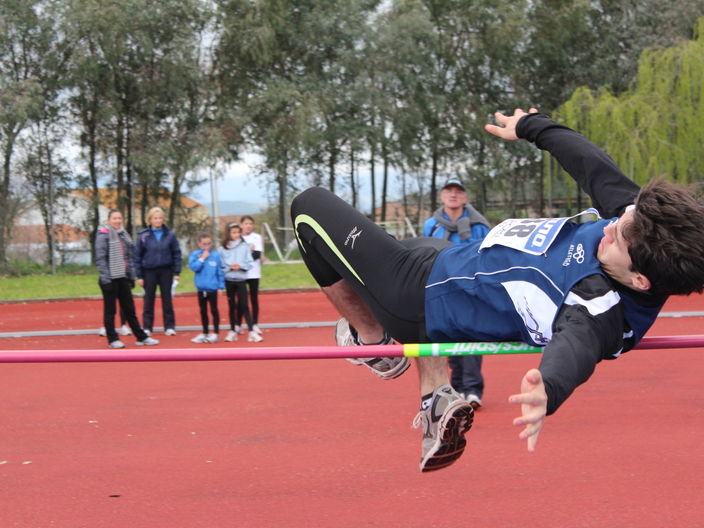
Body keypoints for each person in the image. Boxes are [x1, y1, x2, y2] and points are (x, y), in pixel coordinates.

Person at [290, 108, 704, 473]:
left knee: (308, 208)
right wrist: (532, 126)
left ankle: (373, 341)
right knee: (425, 246)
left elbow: (577, 348)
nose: (611, 226)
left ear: (639, 280)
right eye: (621, 219)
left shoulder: (598, 304)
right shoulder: (641, 225)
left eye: (616, 241)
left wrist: (548, 388)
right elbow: (590, 163)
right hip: (452, 268)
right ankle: (435, 398)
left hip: (416, 295)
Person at [423, 179, 492, 409]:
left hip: (471, 288)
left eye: (458, 192)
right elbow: (426, 253)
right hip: (443, 288)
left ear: (465, 198)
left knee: (472, 336)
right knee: (448, 338)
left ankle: (472, 390)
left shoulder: (479, 224)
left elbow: (487, 253)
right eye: (449, 191)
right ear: (442, 196)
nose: (453, 195)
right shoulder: (431, 224)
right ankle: (456, 386)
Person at [95, 209, 160, 349]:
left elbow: (128, 257)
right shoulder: (103, 236)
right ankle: (112, 339)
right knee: (110, 310)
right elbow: (100, 259)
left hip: (122, 277)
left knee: (129, 309)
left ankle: (141, 337)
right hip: (110, 279)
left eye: (120, 218)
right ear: (108, 220)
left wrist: (131, 276)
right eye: (114, 218)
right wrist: (106, 279)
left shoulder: (124, 235)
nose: (118, 221)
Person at [133, 207, 182, 337]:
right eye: (155, 218)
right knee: (148, 300)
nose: (158, 220)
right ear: (150, 220)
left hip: (166, 271)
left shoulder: (170, 235)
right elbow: (137, 255)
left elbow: (176, 253)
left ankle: (169, 326)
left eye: (160, 218)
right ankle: (147, 327)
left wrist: (177, 272)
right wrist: (139, 275)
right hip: (149, 271)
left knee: (167, 300)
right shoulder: (143, 236)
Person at [218, 222, 263, 343]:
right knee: (232, 306)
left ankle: (252, 331)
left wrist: (240, 266)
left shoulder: (244, 246)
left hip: (241, 280)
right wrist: (229, 268)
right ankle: (233, 330)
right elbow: (220, 266)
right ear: (228, 233)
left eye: (238, 232)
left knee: (244, 305)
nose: (236, 234)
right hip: (229, 281)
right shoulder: (222, 249)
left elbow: (249, 262)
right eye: (233, 232)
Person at [188, 232, 225, 343]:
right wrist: (202, 258)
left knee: (214, 310)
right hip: (201, 288)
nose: (207, 247)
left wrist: (220, 286)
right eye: (204, 244)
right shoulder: (195, 255)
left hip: (212, 288)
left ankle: (215, 333)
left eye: (209, 244)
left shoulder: (216, 255)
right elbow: (194, 267)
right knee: (203, 311)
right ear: (199, 244)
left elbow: (219, 272)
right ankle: (205, 332)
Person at [235, 215, 264, 334]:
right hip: (240, 273)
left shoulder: (257, 237)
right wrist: (248, 249)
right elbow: (235, 255)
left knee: (254, 299)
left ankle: (255, 324)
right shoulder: (237, 238)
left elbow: (256, 255)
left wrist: (245, 254)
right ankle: (238, 324)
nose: (248, 226)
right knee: (241, 300)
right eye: (246, 223)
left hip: (254, 273)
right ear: (241, 225)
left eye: (251, 224)